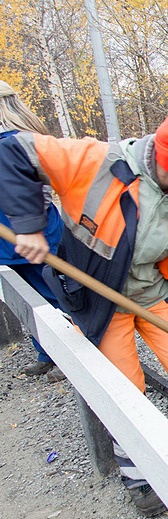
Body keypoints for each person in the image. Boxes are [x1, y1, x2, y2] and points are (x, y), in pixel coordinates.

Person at [0, 105, 168, 515]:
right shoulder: (96, 165)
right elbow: (12, 150)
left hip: (156, 296)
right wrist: (28, 226)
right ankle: (140, 476)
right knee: (125, 391)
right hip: (99, 301)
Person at [0, 80, 66, 382]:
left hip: (34, 236)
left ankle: (75, 357)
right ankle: (47, 353)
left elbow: (33, 192)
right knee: (29, 302)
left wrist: (31, 229)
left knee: (54, 297)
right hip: (9, 243)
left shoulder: (13, 142)